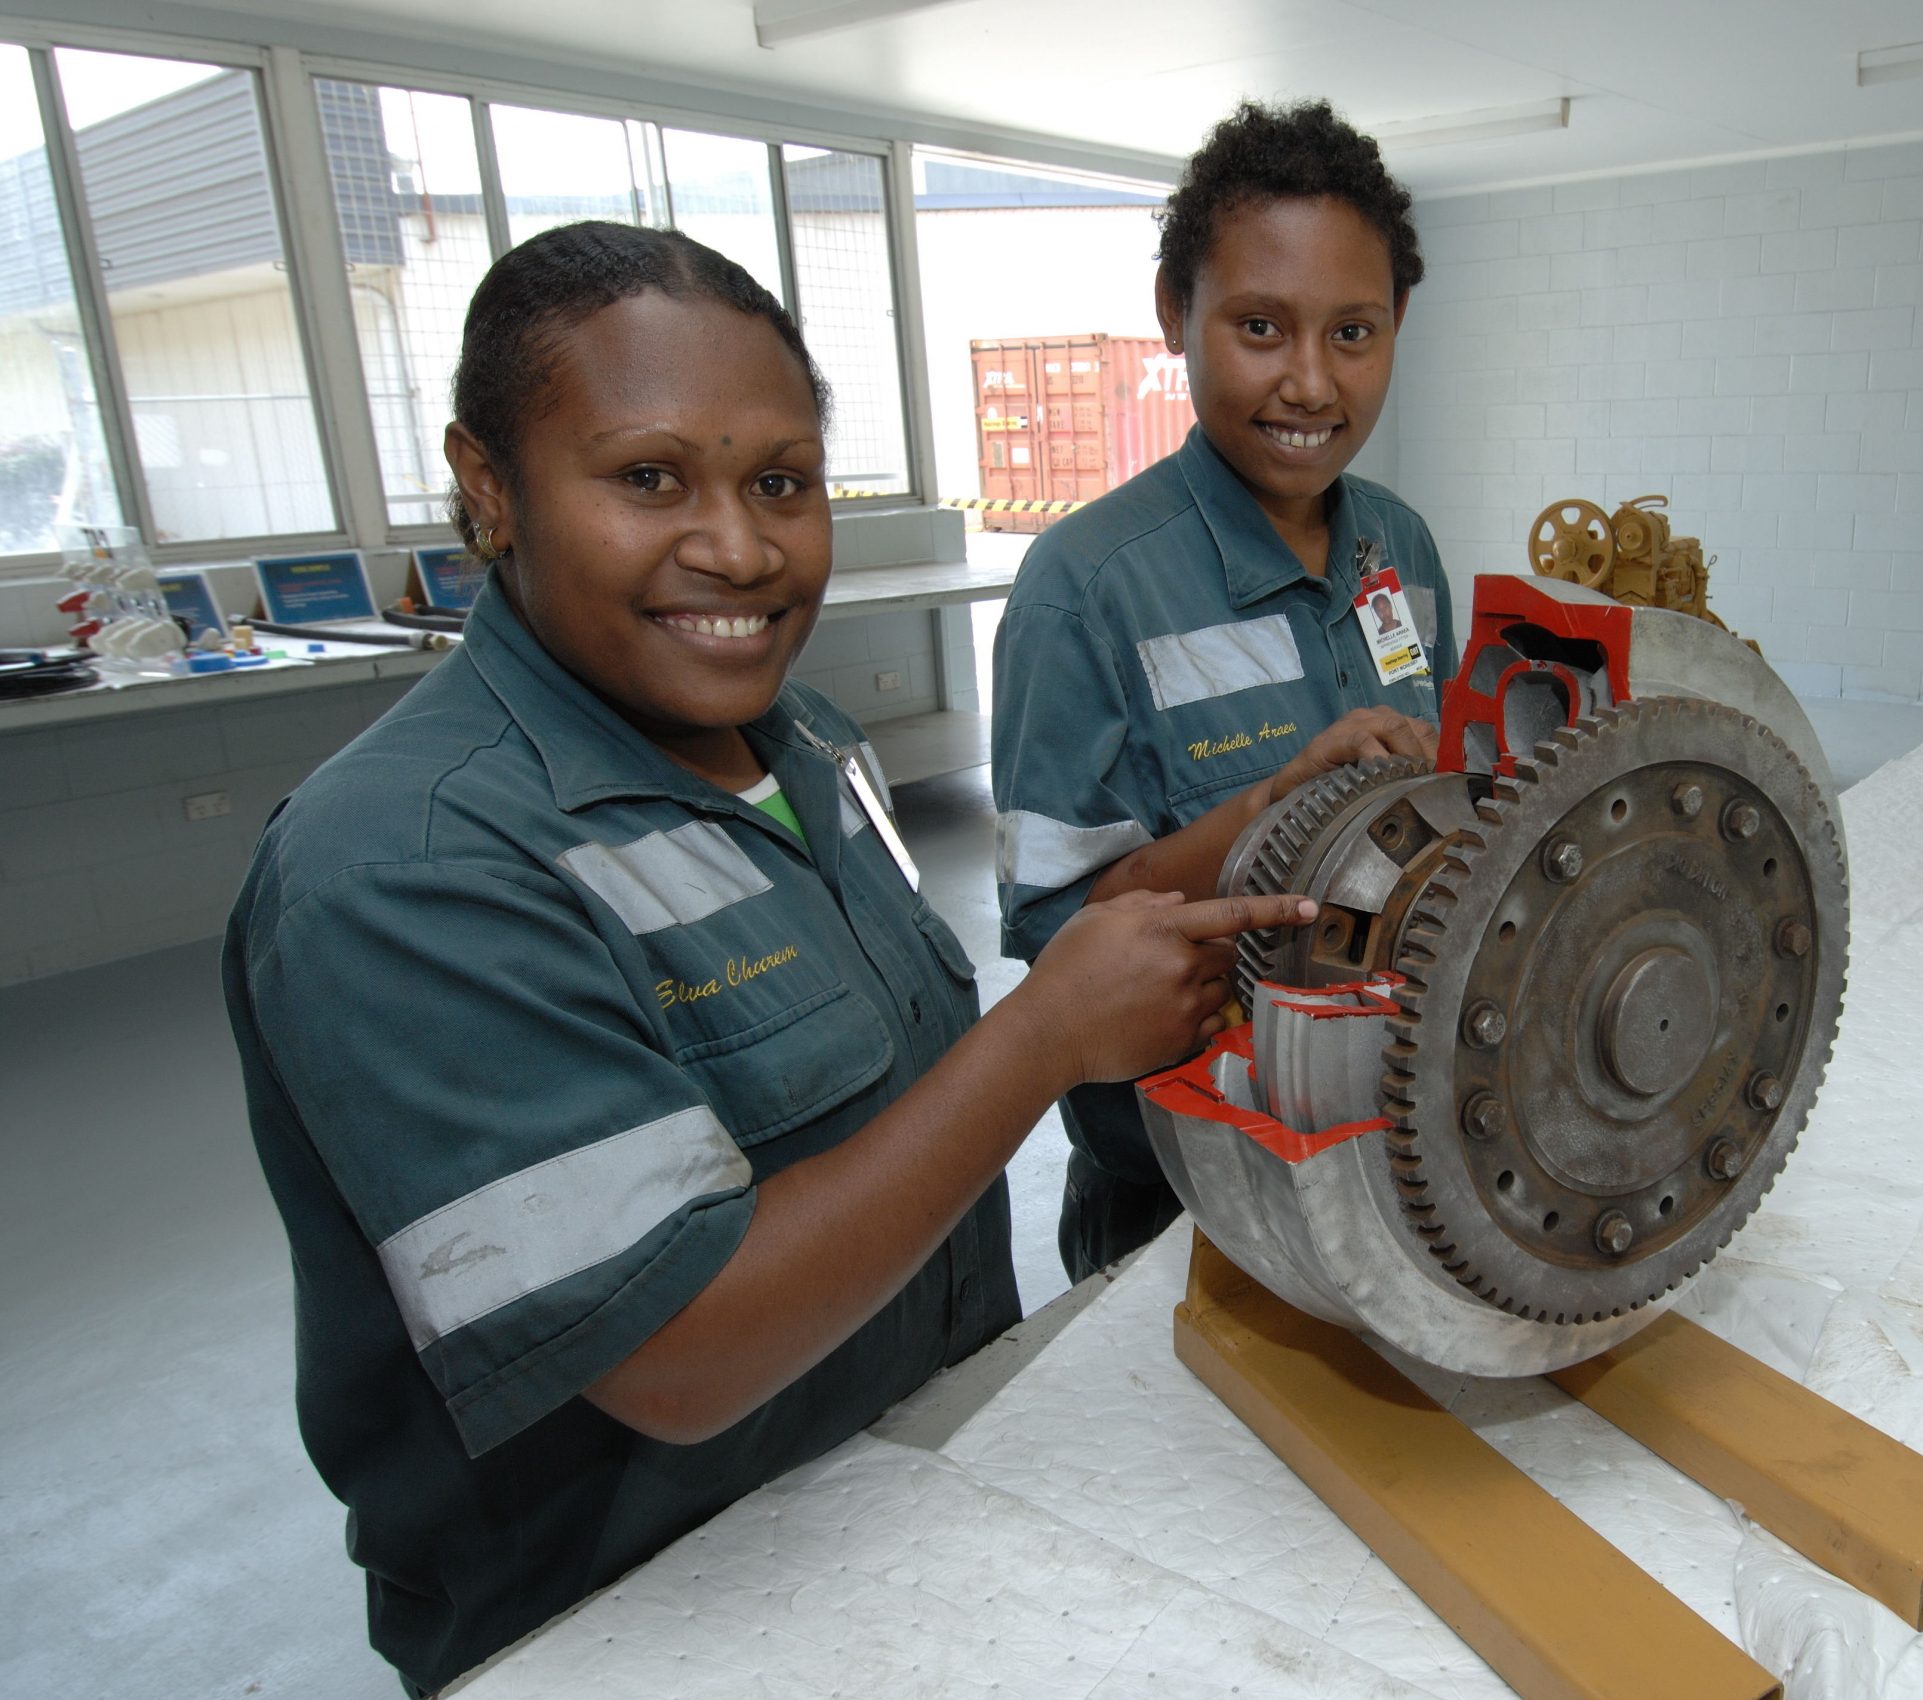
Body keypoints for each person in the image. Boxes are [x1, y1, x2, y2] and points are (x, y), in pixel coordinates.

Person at [222, 221, 1309, 1697]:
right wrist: (1044, 1036)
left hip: (905, 1516)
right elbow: (679, 1354)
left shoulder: (805, 746)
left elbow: (882, 1101)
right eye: (647, 477)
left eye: (783, 484)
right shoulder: (401, 867)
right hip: (643, 1625)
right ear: (491, 487)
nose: (739, 546)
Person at [992, 101, 1450, 1282]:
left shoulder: (1398, 545)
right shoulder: (1083, 587)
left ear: (1397, 323)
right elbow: (1057, 935)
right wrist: (1270, 809)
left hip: (1382, 1122)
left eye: (1353, 333)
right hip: (1178, 1163)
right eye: (1259, 325)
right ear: (1173, 313)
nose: (1309, 381)